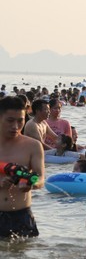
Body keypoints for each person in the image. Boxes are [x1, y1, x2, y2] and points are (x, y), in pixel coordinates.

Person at [0, 96, 44, 238]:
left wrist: (30, 183)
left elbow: (41, 177)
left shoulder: (33, 146)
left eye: (20, 121)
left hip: (21, 216)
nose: (16, 126)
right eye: (10, 120)